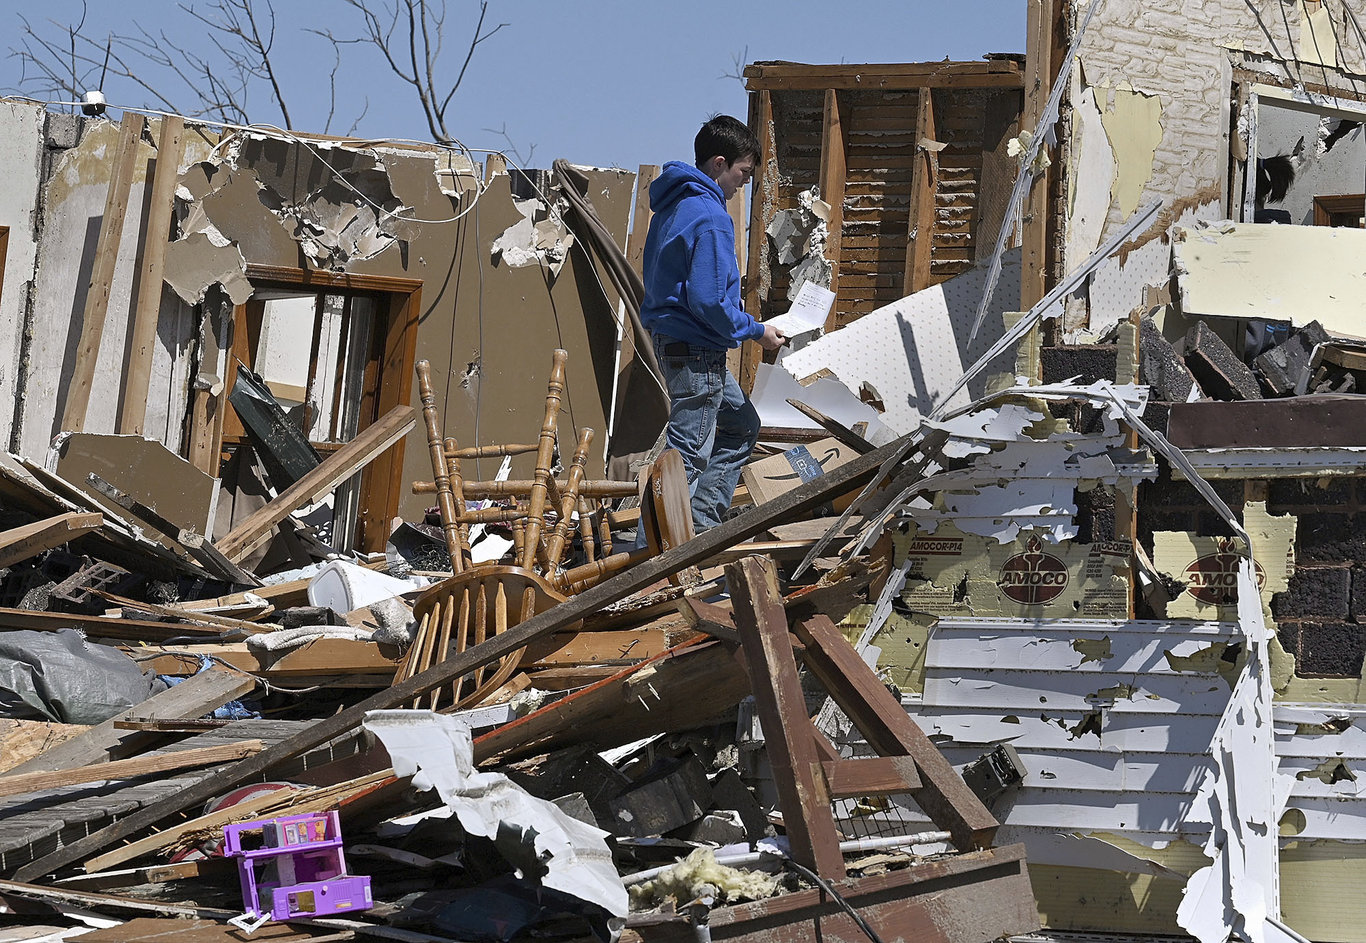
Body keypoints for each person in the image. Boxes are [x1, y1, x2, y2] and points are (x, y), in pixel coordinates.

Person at [639, 115, 787, 532]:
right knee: (687, 454)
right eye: (744, 172)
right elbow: (709, 301)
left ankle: (701, 528)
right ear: (719, 163)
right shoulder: (709, 215)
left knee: (741, 427)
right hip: (697, 350)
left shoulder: (676, 204)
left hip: (677, 342)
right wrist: (757, 330)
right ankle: (647, 553)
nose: (745, 183)